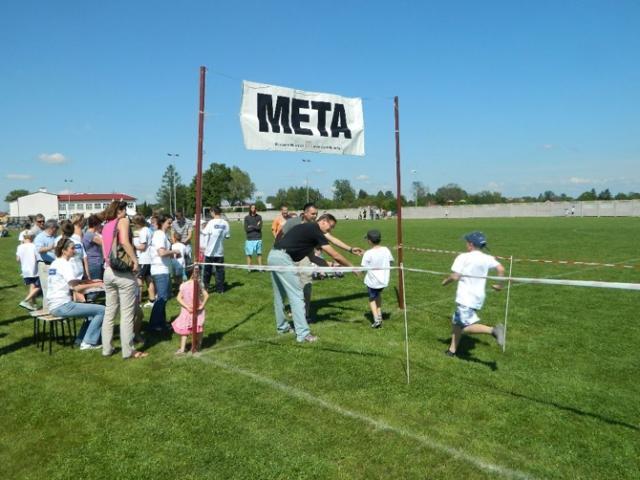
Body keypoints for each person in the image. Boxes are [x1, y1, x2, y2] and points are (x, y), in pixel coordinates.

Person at [268, 213, 356, 343]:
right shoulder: (315, 230)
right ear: (323, 222)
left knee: (280, 295)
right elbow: (335, 254)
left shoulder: (308, 230)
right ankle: (303, 334)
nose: (330, 230)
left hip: (273, 256)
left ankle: (282, 328)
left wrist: (331, 266)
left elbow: (313, 258)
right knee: (297, 295)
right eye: (330, 226)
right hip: (283, 259)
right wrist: (352, 267)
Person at [280, 202, 364, 322]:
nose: (315, 216)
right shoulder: (296, 223)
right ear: (305, 213)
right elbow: (334, 254)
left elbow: (329, 241)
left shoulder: (315, 227)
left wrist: (349, 249)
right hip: (286, 257)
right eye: (313, 214)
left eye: (316, 214)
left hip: (303, 255)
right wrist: (352, 267)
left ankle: (304, 314)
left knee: (305, 284)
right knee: (291, 287)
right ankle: (293, 314)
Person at [441, 231, 506, 356]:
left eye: (466, 242)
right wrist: (500, 285)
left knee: (464, 327)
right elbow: (501, 269)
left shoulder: (463, 257)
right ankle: (452, 350)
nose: (466, 244)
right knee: (457, 323)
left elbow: (455, 276)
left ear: (471, 244)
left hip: (466, 298)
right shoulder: (487, 258)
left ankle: (493, 330)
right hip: (478, 297)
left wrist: (445, 282)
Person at [100, 201, 147, 359]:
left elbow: (105, 249)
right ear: (119, 211)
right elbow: (125, 242)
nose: (126, 213)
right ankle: (128, 351)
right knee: (127, 314)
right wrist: (135, 260)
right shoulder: (123, 221)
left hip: (108, 271)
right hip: (123, 273)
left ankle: (107, 349)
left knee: (109, 313)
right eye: (125, 209)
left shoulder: (106, 225)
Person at [47, 238, 105, 350]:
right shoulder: (65, 265)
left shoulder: (55, 263)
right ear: (64, 251)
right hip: (62, 306)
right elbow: (76, 288)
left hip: (54, 305)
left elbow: (71, 282)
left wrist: (90, 281)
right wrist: (97, 285)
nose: (75, 250)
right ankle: (88, 343)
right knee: (102, 310)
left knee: (92, 311)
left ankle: (80, 340)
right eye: (72, 248)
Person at [148, 214, 180, 331]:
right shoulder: (159, 235)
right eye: (169, 223)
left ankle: (161, 323)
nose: (170, 225)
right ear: (162, 223)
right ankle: (155, 324)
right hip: (160, 269)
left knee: (163, 297)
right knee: (162, 298)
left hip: (162, 269)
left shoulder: (162, 234)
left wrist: (171, 254)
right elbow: (161, 253)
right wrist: (174, 251)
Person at [361, 229, 394, 328]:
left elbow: (363, 267)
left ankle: (376, 320)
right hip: (383, 281)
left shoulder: (368, 253)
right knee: (378, 295)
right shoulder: (386, 249)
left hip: (372, 282)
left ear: (369, 241)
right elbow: (391, 261)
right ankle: (379, 315)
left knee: (372, 299)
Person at [172, 270, 209, 355]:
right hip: (188, 311)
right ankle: (188, 348)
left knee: (196, 328)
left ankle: (195, 347)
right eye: (196, 273)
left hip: (195, 311)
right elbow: (179, 298)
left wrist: (201, 306)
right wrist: (188, 307)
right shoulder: (186, 285)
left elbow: (206, 295)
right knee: (189, 329)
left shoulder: (198, 284)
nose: (197, 275)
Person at [202, 206, 230, 293]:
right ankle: (220, 289)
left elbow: (204, 232)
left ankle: (206, 288)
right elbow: (227, 236)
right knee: (220, 271)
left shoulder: (211, 222)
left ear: (213, 212)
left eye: (211, 212)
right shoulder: (225, 223)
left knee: (207, 271)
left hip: (209, 252)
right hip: (220, 251)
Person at [33, 219, 59, 311]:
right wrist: (50, 248)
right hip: (45, 265)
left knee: (54, 286)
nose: (57, 231)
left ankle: (54, 308)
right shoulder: (40, 237)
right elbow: (39, 250)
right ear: (51, 228)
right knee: (46, 288)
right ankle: (47, 310)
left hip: (54, 264)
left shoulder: (54, 236)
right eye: (56, 229)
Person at [132, 214, 155, 307]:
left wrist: (132, 247)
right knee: (148, 279)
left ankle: (138, 302)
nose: (134, 225)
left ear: (138, 223)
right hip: (149, 258)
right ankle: (152, 300)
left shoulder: (143, 232)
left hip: (143, 259)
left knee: (139, 280)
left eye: (134, 223)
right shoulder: (148, 230)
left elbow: (142, 247)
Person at [16, 231, 40, 311]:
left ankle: (34, 304)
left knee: (32, 286)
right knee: (39, 286)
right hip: (34, 269)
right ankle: (25, 301)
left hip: (25, 270)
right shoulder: (34, 246)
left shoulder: (19, 247)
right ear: (32, 237)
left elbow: (18, 259)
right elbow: (38, 258)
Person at [83, 214, 104, 281]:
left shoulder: (89, 234)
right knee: (97, 284)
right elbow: (105, 243)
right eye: (99, 224)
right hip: (94, 264)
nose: (101, 225)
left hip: (94, 263)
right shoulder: (91, 235)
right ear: (95, 225)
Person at [244, 204, 263, 271]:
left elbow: (259, 228)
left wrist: (251, 226)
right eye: (252, 208)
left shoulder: (259, 217)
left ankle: (260, 269)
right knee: (249, 254)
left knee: (259, 254)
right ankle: (249, 269)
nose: (253, 209)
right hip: (249, 239)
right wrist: (256, 226)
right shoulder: (246, 218)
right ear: (250, 209)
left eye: (254, 208)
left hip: (258, 238)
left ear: (256, 209)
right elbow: (246, 229)